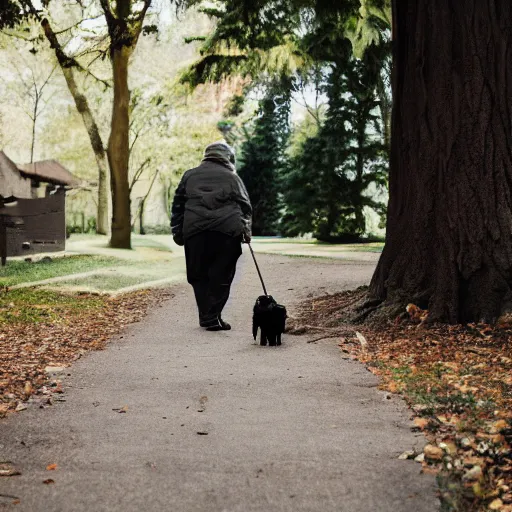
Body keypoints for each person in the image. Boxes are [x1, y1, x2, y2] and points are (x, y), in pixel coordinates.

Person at [170, 140, 252, 331]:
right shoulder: (232, 178)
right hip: (226, 233)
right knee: (222, 276)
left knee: (198, 276)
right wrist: (246, 232)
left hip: (195, 232)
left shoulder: (189, 175)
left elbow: (177, 205)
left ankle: (209, 316)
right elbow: (245, 206)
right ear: (228, 157)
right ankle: (212, 316)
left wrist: (177, 231)